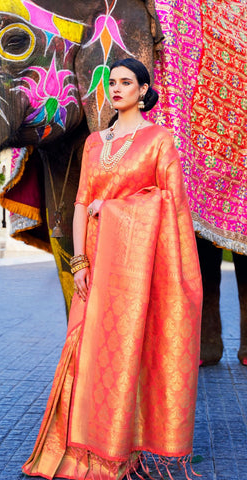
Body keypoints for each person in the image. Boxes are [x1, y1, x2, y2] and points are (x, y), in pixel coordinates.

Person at [22, 58, 202, 480]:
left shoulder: (159, 140)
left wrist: (117, 208)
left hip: (137, 270)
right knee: (84, 351)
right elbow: (83, 200)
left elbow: (171, 205)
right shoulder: (94, 143)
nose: (116, 88)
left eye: (126, 82)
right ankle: (78, 452)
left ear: (143, 91)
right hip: (95, 263)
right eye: (112, 82)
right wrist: (79, 261)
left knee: (130, 352)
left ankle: (120, 453)